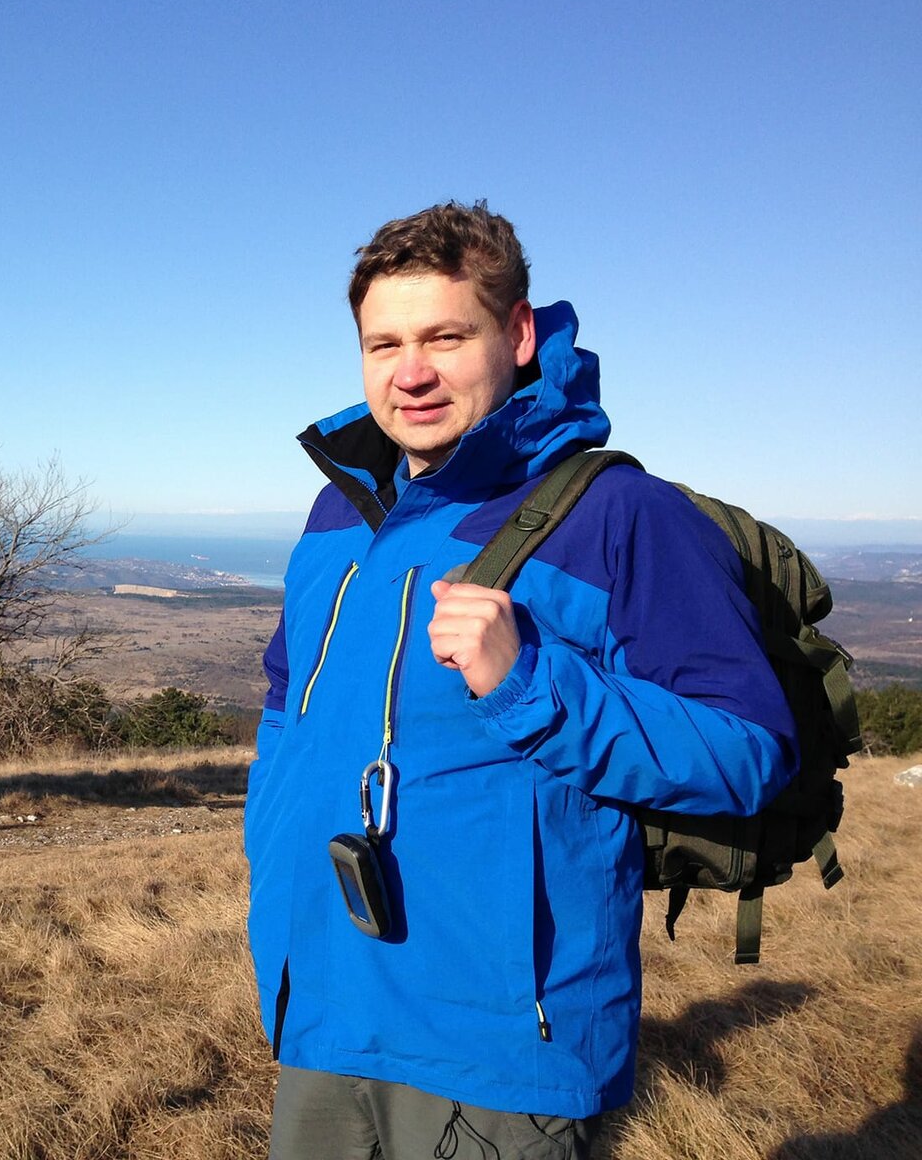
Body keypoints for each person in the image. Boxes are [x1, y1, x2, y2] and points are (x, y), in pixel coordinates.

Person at [245, 201, 797, 1159]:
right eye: (384, 344)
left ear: (519, 332)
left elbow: (748, 750)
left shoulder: (619, 514)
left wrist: (530, 683)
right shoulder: (337, 513)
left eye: (445, 337)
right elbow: (285, 714)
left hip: (498, 1044)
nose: (410, 372)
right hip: (324, 1010)